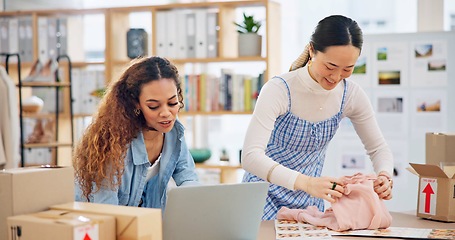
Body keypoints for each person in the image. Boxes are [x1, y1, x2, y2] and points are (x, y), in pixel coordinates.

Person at [241, 15, 394, 220]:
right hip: (261, 198)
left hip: (310, 204)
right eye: (330, 66)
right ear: (312, 50)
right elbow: (250, 157)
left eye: (347, 69)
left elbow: (378, 148)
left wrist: (384, 175)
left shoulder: (350, 95)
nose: (336, 77)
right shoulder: (279, 90)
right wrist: (307, 183)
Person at [73, 56, 199, 210]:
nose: (166, 113)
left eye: (172, 103)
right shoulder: (113, 143)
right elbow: (107, 210)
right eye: (154, 106)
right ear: (136, 103)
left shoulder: (174, 133)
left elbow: (189, 179)